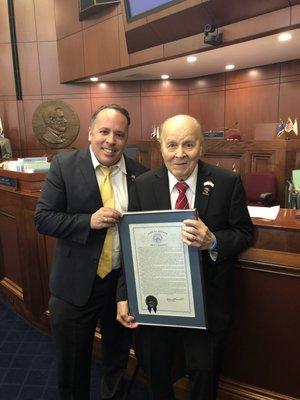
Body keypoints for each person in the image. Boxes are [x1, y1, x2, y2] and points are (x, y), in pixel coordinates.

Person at [116, 114, 254, 400]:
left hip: (207, 303)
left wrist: (214, 240)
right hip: (156, 303)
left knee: (204, 374)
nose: (180, 154)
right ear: (161, 148)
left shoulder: (227, 182)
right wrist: (123, 294)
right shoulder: (142, 185)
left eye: (188, 145)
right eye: (172, 145)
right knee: (156, 371)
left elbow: (244, 232)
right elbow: (132, 245)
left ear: (201, 147)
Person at [35, 104, 148, 400]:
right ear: (90, 133)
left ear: (126, 138)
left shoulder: (141, 175)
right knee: (72, 366)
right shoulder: (64, 165)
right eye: (104, 131)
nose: (111, 140)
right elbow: (43, 217)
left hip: (120, 287)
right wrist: (89, 221)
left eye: (119, 134)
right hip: (73, 286)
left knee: (116, 360)